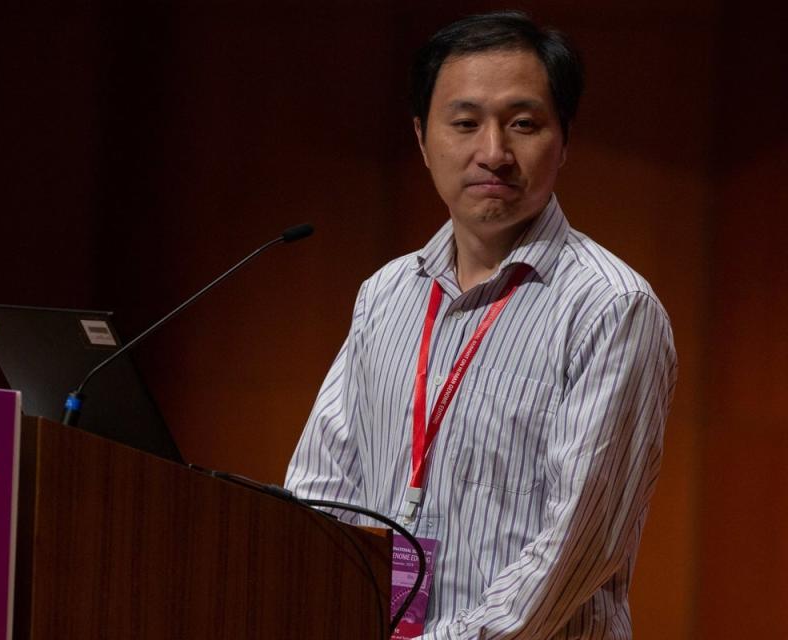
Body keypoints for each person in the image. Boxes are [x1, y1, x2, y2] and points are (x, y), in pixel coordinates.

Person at [285, 11, 677, 639]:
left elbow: (576, 546)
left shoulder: (610, 307)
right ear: (421, 138)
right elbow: (321, 489)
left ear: (565, 139)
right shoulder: (386, 294)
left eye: (523, 124)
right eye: (464, 123)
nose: (493, 153)